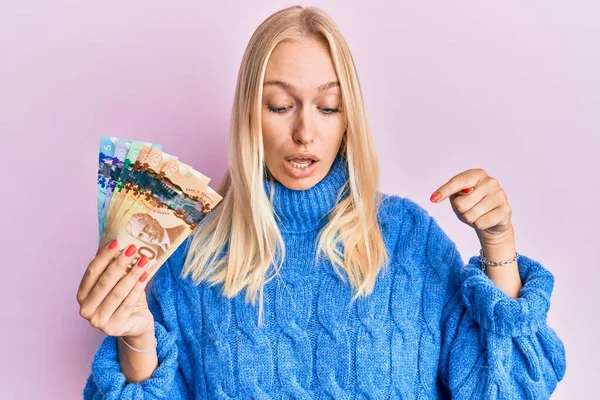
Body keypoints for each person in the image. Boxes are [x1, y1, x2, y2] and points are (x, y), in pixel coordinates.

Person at [77, 5, 566, 399]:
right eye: (280, 105)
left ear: (348, 118)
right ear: (250, 115)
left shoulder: (409, 239)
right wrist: (137, 339)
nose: (305, 132)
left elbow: (512, 389)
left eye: (328, 107)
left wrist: (498, 241)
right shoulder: (191, 253)